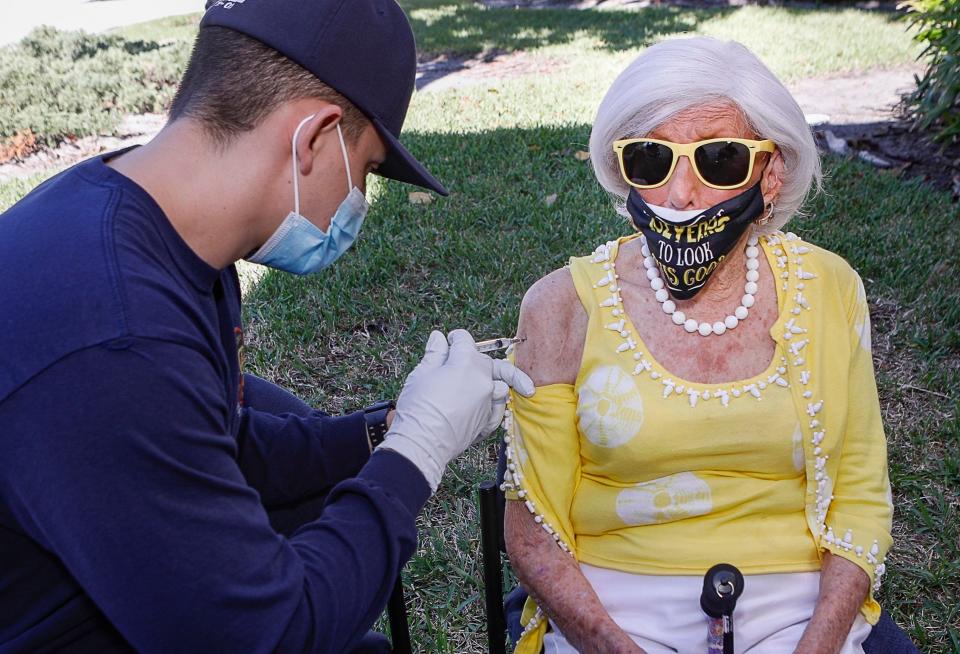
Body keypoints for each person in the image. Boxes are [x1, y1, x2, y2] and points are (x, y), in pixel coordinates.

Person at [0, 1, 534, 652]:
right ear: (312, 138)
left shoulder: (155, 226)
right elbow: (272, 636)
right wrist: (417, 452)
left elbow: (214, 438)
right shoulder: (112, 337)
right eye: (365, 170)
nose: (358, 201)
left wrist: (386, 428)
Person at [501, 38, 895, 654]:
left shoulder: (829, 290)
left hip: (798, 606)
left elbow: (861, 497)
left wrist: (817, 646)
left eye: (718, 159)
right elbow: (530, 531)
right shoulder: (561, 307)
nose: (681, 194)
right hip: (613, 604)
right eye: (652, 159)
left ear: (772, 174)